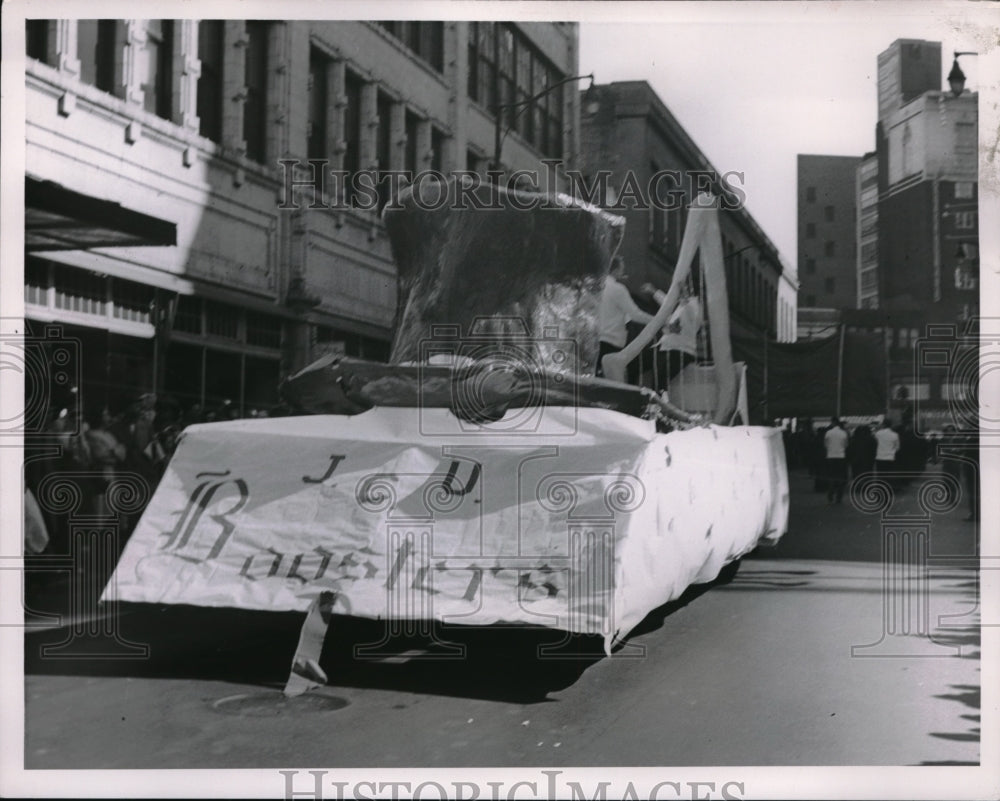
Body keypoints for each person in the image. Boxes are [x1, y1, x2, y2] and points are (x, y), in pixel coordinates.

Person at [597, 256, 654, 379]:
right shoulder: (618, 289)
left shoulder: (597, 287)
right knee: (613, 385)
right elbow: (635, 314)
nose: (623, 273)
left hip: (597, 341)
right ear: (615, 270)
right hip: (612, 342)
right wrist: (657, 320)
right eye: (622, 269)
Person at [641, 278, 702, 392]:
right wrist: (654, 291)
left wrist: (684, 296)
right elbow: (667, 303)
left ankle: (659, 406)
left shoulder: (694, 306)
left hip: (681, 351)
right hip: (666, 348)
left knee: (659, 381)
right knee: (635, 364)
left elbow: (692, 317)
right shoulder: (682, 305)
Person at [823, 417, 849, 504]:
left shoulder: (828, 433)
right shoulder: (843, 433)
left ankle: (830, 494)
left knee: (831, 476)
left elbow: (825, 444)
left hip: (830, 456)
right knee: (841, 477)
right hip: (841, 456)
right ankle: (839, 497)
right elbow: (846, 445)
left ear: (833, 423)